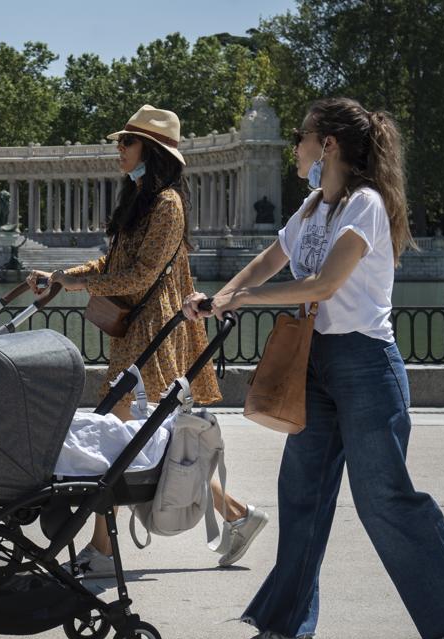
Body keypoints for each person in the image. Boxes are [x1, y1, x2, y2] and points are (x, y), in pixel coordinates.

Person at [184, 97, 444, 639]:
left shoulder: (366, 206)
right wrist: (219, 298)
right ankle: (289, 632)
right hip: (317, 364)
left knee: (383, 499)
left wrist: (243, 300)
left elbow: (325, 285)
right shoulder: (311, 208)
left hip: (365, 366)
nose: (295, 147)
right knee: (301, 495)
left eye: (302, 137)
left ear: (326, 145)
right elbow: (269, 259)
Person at [27, 105, 269, 577]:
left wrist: (77, 285)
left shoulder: (167, 205)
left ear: (151, 151)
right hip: (136, 331)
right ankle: (237, 516)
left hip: (156, 332)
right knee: (140, 440)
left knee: (126, 442)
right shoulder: (139, 198)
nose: (118, 148)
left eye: (127, 142)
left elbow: (140, 276)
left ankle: (103, 549)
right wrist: (61, 277)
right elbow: (109, 266)